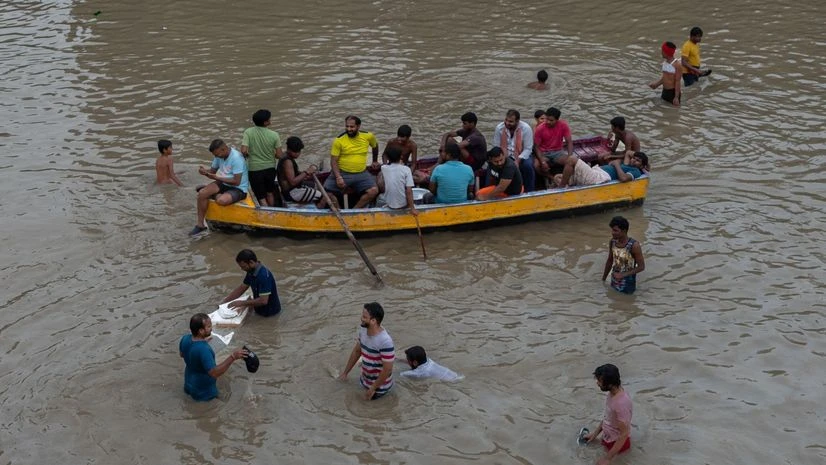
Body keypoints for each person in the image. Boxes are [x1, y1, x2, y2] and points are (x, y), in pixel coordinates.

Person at [179, 313, 247, 401]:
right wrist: (233, 357)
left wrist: (201, 341)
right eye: (209, 326)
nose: (211, 328)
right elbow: (214, 373)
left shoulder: (185, 339)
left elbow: (182, 354)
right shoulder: (204, 349)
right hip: (204, 393)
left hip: (188, 385)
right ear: (201, 331)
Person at [191, 139, 249, 236]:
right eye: (214, 155)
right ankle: (200, 225)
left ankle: (215, 193)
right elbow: (212, 172)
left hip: (238, 188)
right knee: (202, 194)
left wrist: (217, 178)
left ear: (224, 149)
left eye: (217, 154)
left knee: (221, 201)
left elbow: (236, 181)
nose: (216, 157)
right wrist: (205, 172)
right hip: (223, 182)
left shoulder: (237, 158)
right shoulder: (219, 156)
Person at [339, 303, 395, 400]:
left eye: (364, 317)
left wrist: (373, 388)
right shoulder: (363, 331)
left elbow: (387, 369)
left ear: (373, 321)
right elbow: (357, 352)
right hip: (364, 382)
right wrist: (345, 373)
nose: (361, 318)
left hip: (379, 389)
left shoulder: (385, 341)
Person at [324, 115, 380, 209]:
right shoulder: (338, 140)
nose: (349, 129)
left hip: (361, 173)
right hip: (342, 172)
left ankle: (355, 210)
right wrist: (338, 177)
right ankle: (338, 211)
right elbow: (333, 161)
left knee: (374, 191)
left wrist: (375, 161)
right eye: (347, 126)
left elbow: (375, 146)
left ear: (358, 126)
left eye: (352, 127)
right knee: (326, 191)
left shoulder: (368, 136)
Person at [582, 364, 633, 465]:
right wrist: (595, 434)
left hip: (618, 445)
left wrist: (608, 458)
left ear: (610, 384)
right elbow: (608, 417)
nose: (597, 383)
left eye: (600, 381)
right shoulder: (612, 393)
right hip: (609, 438)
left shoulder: (621, 403)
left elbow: (624, 434)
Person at [222, 249, 282, 316]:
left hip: (270, 313)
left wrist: (241, 303)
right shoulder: (251, 272)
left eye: (243, 266)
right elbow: (242, 288)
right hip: (259, 310)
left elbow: (263, 301)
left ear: (251, 262)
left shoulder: (263, 276)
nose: (242, 269)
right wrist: (224, 302)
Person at [241, 109, 282, 207]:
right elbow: (279, 155)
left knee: (261, 196)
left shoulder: (248, 132)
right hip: (270, 168)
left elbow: (243, 150)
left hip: (254, 169)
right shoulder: (274, 135)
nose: (270, 121)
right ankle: (272, 211)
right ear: (265, 122)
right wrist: (272, 155)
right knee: (269, 192)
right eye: (269, 119)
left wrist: (248, 155)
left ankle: (266, 214)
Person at [276, 136, 330, 208]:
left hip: (293, 188)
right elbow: (293, 182)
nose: (299, 154)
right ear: (289, 150)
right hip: (291, 193)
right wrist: (307, 172)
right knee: (322, 196)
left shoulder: (286, 156)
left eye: (299, 151)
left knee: (315, 185)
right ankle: (319, 211)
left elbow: (293, 173)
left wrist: (303, 174)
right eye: (297, 151)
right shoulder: (287, 162)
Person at [492, 109, 535, 192]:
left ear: (517, 121)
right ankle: (493, 190)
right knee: (493, 165)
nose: (507, 123)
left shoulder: (526, 128)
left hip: (522, 155)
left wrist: (518, 160)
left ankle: (530, 191)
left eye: (511, 121)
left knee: (528, 166)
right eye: (506, 120)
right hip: (505, 155)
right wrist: (502, 159)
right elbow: (497, 146)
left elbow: (528, 149)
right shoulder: (499, 128)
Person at [534, 107, 577, 188]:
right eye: (547, 119)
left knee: (573, 162)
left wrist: (570, 156)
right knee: (536, 166)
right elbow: (536, 147)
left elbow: (569, 142)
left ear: (557, 120)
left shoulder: (563, 125)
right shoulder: (540, 129)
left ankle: (565, 180)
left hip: (558, 152)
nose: (547, 122)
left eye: (551, 120)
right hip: (544, 153)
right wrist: (542, 161)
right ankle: (551, 178)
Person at [602, 216, 645, 294]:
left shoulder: (634, 246)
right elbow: (610, 260)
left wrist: (623, 275)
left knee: (627, 302)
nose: (612, 232)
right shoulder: (612, 242)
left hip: (628, 282)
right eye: (612, 229)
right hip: (614, 278)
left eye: (615, 230)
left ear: (624, 231)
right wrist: (603, 279)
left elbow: (641, 267)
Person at [377, 146, 417, 215]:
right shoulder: (406, 169)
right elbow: (409, 191)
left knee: (379, 197)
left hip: (389, 204)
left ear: (388, 158)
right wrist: (412, 208)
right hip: (403, 205)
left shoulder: (383, 168)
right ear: (401, 156)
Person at [649, 41, 681, 107]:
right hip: (665, 91)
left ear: (667, 53)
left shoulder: (677, 64)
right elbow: (665, 78)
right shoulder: (665, 63)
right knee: (664, 112)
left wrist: (676, 97)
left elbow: (678, 82)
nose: (661, 52)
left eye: (662, 51)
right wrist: (656, 84)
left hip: (673, 93)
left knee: (674, 113)